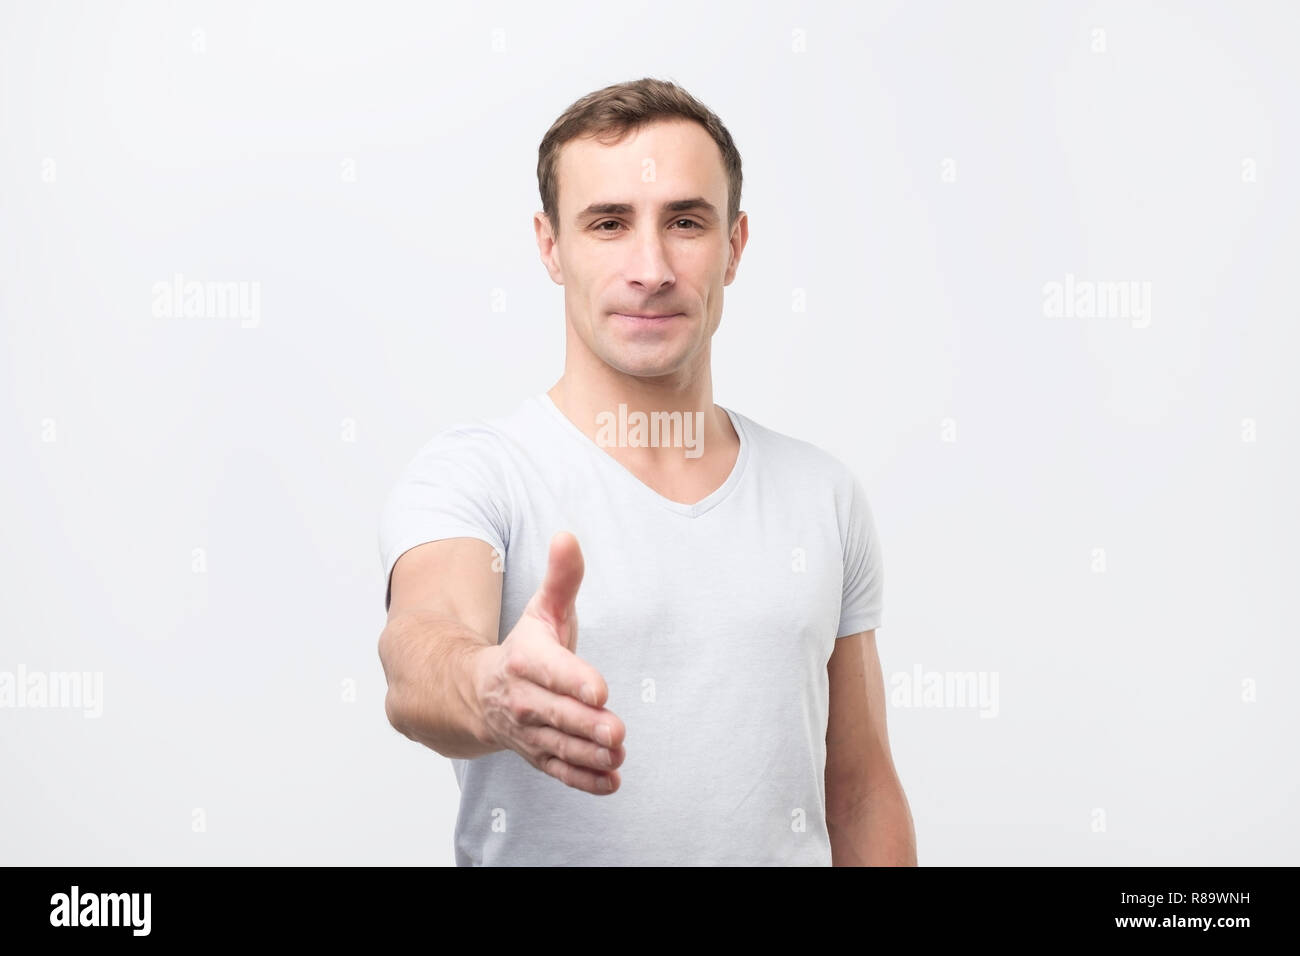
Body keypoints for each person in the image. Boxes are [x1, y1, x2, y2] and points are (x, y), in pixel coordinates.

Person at [377, 77, 916, 866]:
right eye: (608, 224)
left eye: (686, 222)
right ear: (550, 246)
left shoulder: (821, 496)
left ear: (733, 247)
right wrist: (489, 687)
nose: (652, 267)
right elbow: (416, 653)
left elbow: (861, 791)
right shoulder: (476, 475)